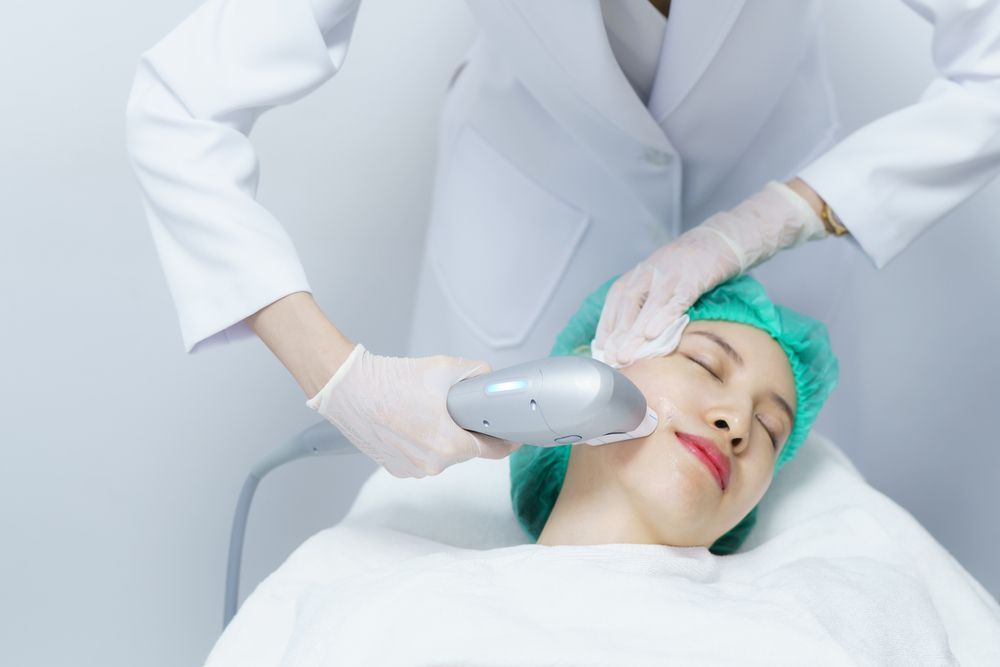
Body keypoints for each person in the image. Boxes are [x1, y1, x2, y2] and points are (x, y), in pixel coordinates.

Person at [124, 0, 1000, 478]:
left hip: (773, 244)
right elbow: (179, 107)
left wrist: (782, 215)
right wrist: (341, 378)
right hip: (525, 227)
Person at [511, 273, 838, 554]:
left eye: (769, 429)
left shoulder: (785, 623)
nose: (738, 422)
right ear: (595, 364)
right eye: (706, 364)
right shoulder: (464, 598)